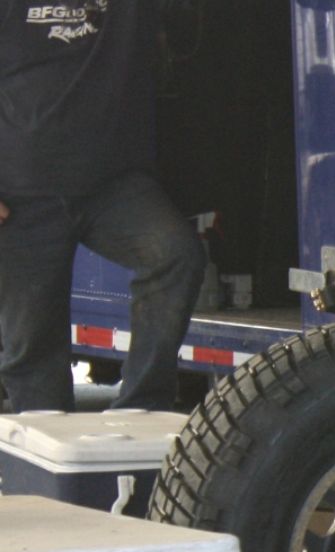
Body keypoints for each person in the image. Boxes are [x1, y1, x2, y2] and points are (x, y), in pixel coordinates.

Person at [0, 0, 206, 412]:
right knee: (32, 355)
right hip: (22, 194)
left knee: (177, 255)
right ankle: (42, 472)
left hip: (113, 187)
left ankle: (141, 405)